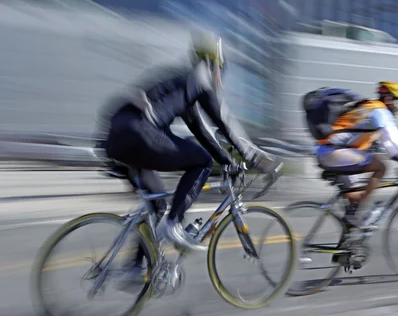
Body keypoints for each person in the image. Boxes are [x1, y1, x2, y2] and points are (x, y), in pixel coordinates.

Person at [95, 30, 278, 281]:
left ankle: (134, 268)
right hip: (140, 132)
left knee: (157, 206)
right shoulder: (199, 78)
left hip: (117, 138)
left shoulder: (182, 86)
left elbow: (202, 132)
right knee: (201, 161)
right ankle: (175, 225)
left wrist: (228, 161)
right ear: (214, 64)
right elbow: (223, 122)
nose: (220, 78)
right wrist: (255, 158)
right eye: (221, 70)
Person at [314, 81, 398, 231]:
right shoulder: (380, 112)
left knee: (356, 201)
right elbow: (396, 143)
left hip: (332, 154)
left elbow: (391, 147)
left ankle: (347, 247)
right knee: (381, 167)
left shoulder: (370, 109)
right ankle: (354, 215)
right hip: (334, 153)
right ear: (389, 99)